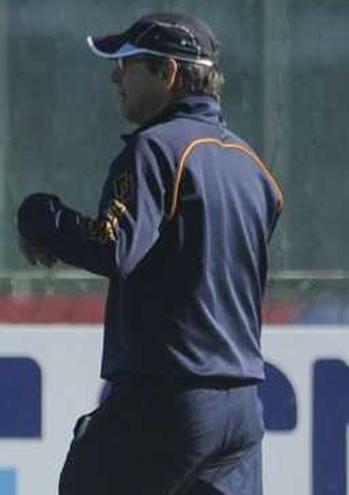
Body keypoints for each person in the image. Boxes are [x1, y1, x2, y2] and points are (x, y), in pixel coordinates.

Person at [16, 12, 283, 495]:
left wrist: (43, 217)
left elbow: (112, 246)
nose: (115, 75)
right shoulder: (252, 166)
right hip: (241, 410)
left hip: (168, 397)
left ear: (169, 74)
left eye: (128, 63)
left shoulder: (156, 150)